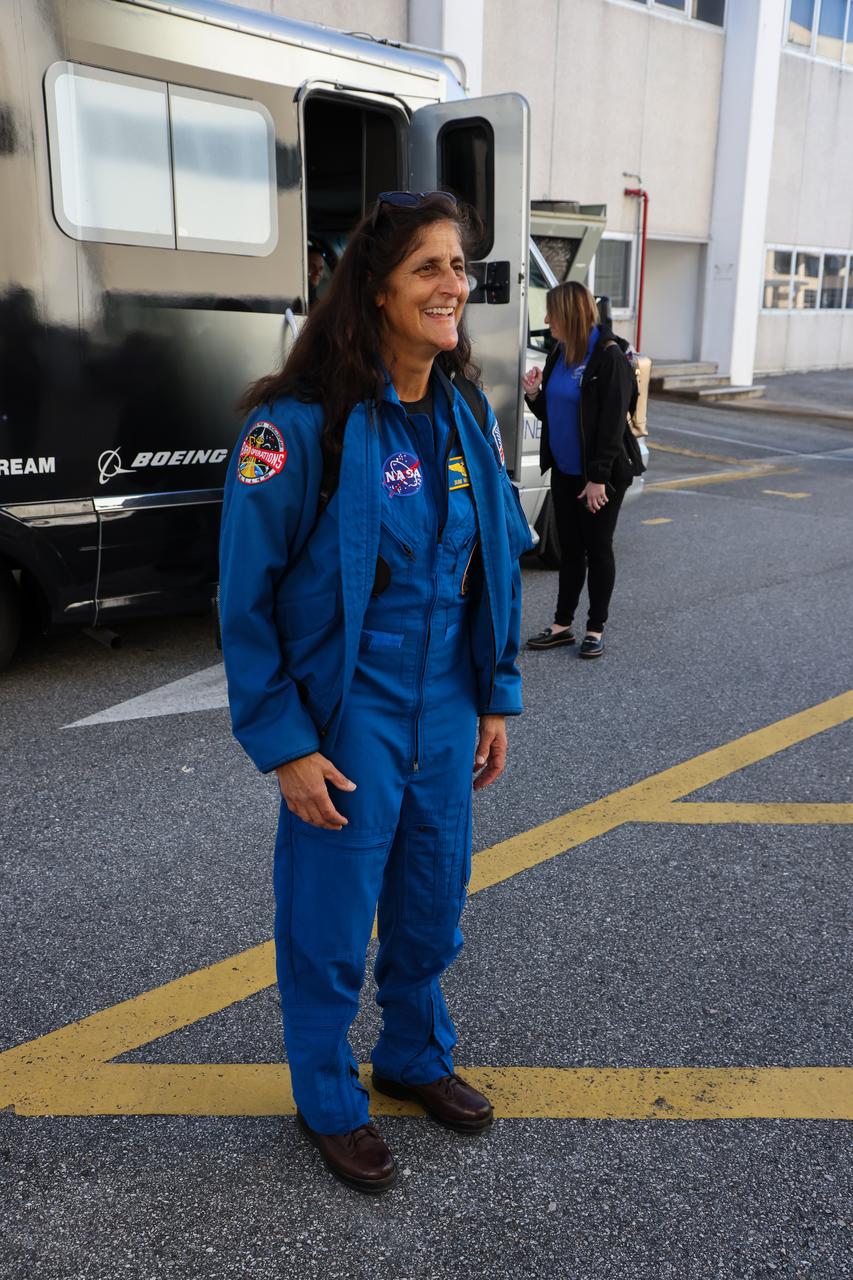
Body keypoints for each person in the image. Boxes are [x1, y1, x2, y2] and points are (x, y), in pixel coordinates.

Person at [218, 191, 531, 1193]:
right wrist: (284, 740)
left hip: (442, 697)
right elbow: (244, 595)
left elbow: (494, 566)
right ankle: (328, 1094)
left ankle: (411, 1053)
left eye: (461, 267)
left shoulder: (461, 414)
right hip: (347, 706)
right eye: (431, 267)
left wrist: (494, 694)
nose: (455, 285)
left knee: (433, 901)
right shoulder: (297, 425)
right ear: (378, 289)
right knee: (329, 916)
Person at [522, 281, 635, 660]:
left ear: (567, 313)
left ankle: (595, 627)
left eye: (551, 312)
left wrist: (598, 478)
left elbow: (611, 424)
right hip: (566, 471)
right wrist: (535, 395)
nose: (546, 319)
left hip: (599, 475)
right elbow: (556, 416)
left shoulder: (608, 356)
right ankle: (561, 625)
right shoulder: (560, 352)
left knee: (598, 548)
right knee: (570, 550)